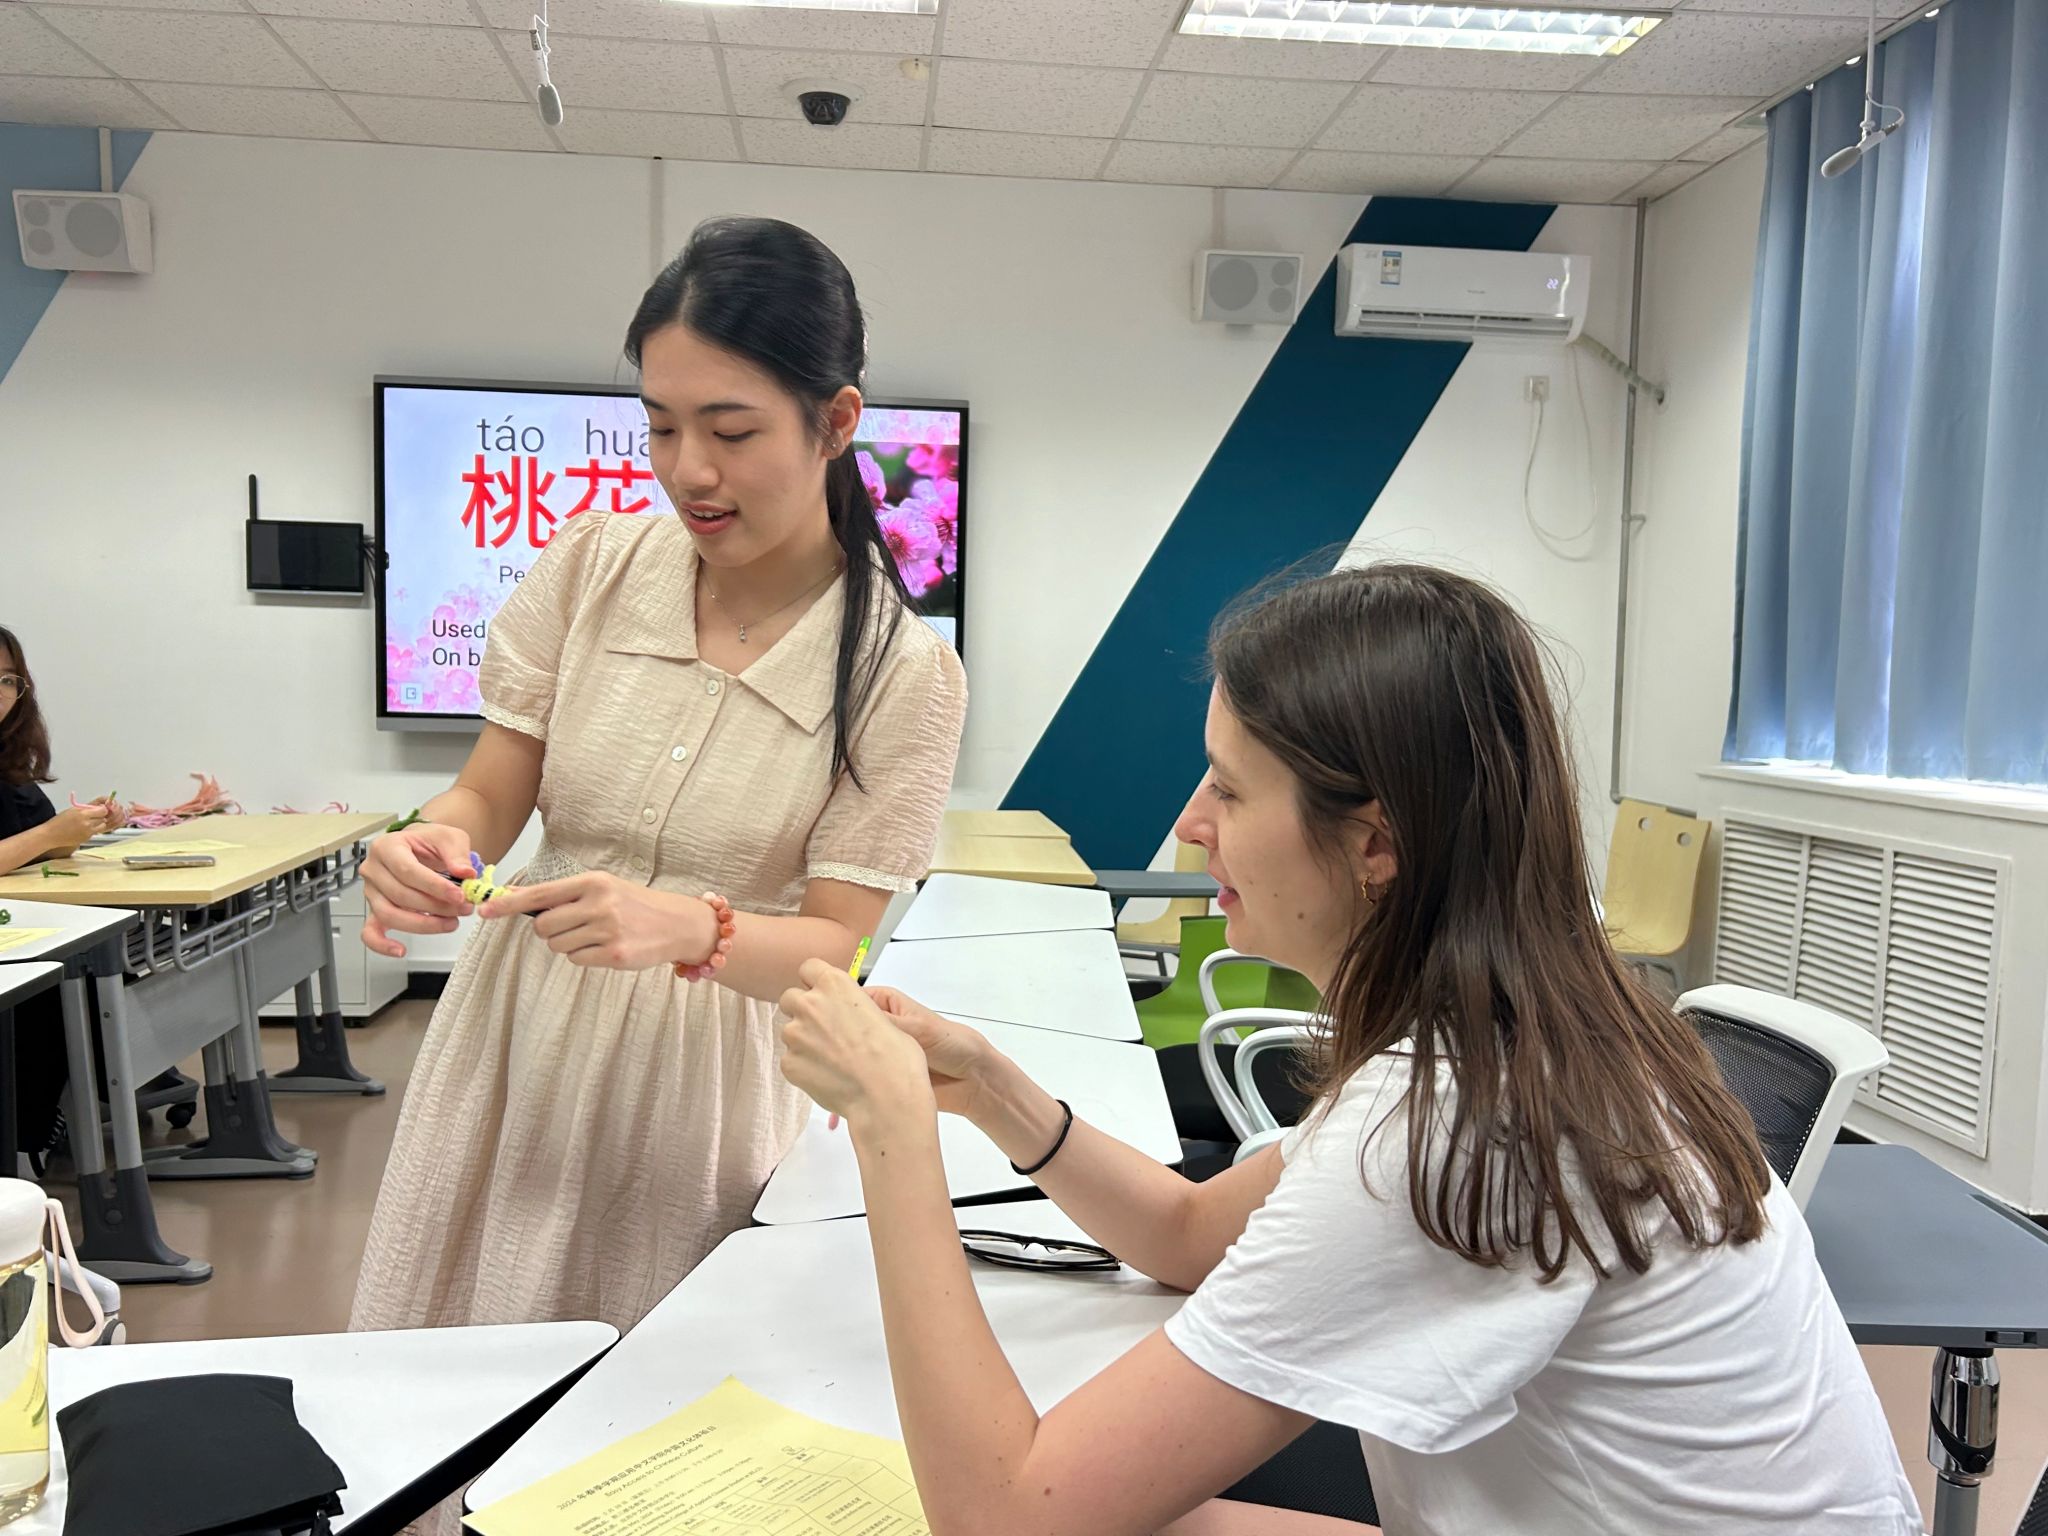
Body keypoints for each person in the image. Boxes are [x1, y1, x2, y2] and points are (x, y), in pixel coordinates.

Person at [777, 563, 1921, 1536]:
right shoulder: (1534, 1027)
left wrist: (892, 1134)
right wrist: (988, 1089)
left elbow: (1004, 1517)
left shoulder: (1454, 1121)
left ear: (1374, 843)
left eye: (1228, 789)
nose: (1189, 823)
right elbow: (1187, 1238)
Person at [350, 218, 967, 1351]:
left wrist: (689, 928)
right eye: (662, 426)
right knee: (456, 1358)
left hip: (706, 1083)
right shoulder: (590, 566)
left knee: (651, 1399)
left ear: (836, 422)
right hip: (517, 1038)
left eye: (731, 431)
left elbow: (838, 945)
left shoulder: (902, 671)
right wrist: (430, 840)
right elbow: (491, 791)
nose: (690, 471)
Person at [0, 626, 122, 1170]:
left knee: (110, 969)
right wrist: (53, 834)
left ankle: (54, 1116)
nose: (1, 693)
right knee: (57, 986)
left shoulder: (11, 766)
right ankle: (27, 1138)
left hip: (23, 923)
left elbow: (36, 849)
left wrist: (84, 827)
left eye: (8, 680)